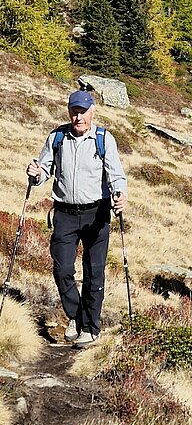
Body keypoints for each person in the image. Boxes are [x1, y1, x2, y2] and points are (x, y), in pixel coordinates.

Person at [26, 90, 128, 348]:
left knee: (94, 272)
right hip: (64, 213)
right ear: (69, 111)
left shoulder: (104, 139)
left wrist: (120, 195)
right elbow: (44, 170)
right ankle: (76, 315)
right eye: (74, 111)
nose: (78, 116)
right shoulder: (57, 137)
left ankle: (91, 328)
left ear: (93, 111)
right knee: (61, 270)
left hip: (97, 213)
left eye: (83, 111)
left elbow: (115, 174)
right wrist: (36, 173)